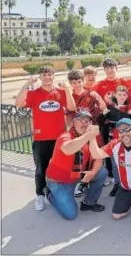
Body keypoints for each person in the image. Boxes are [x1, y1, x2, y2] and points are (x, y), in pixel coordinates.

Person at [15, 65, 76, 211]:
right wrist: (26, 85)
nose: (47, 78)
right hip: (41, 138)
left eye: (50, 75)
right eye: (44, 75)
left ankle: (62, 190)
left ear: (53, 76)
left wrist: (67, 89)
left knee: (62, 166)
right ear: (40, 77)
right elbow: (18, 103)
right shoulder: (34, 93)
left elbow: (72, 108)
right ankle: (40, 195)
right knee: (41, 169)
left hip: (60, 139)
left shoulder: (60, 92)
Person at [45, 111, 107, 220]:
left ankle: (89, 203)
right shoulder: (65, 136)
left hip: (77, 176)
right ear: (73, 122)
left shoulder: (91, 138)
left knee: (102, 172)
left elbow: (99, 157)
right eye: (81, 120)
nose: (84, 123)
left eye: (87, 121)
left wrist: (92, 173)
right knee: (71, 215)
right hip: (60, 182)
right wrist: (89, 135)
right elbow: (68, 149)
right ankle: (50, 195)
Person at [92, 58, 131, 185]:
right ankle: (111, 174)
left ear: (117, 68)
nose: (110, 70)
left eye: (112, 67)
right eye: (107, 68)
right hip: (107, 124)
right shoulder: (100, 84)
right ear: (104, 70)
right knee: (108, 150)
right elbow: (88, 90)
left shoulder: (123, 82)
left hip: (122, 124)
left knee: (125, 150)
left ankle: (127, 175)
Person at [66, 69, 106, 197]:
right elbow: (68, 117)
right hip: (77, 132)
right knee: (78, 158)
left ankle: (87, 181)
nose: (77, 85)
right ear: (70, 83)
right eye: (73, 82)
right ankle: (80, 182)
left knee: (96, 156)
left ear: (83, 81)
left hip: (91, 131)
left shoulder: (91, 96)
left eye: (79, 81)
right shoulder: (69, 97)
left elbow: (101, 111)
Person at [98, 85, 131, 196]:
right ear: (115, 95)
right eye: (119, 94)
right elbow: (100, 121)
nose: (122, 97)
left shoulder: (130, 107)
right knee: (115, 165)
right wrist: (103, 114)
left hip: (127, 141)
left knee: (129, 164)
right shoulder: (110, 108)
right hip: (113, 142)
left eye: (124, 95)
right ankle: (118, 184)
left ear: (127, 96)